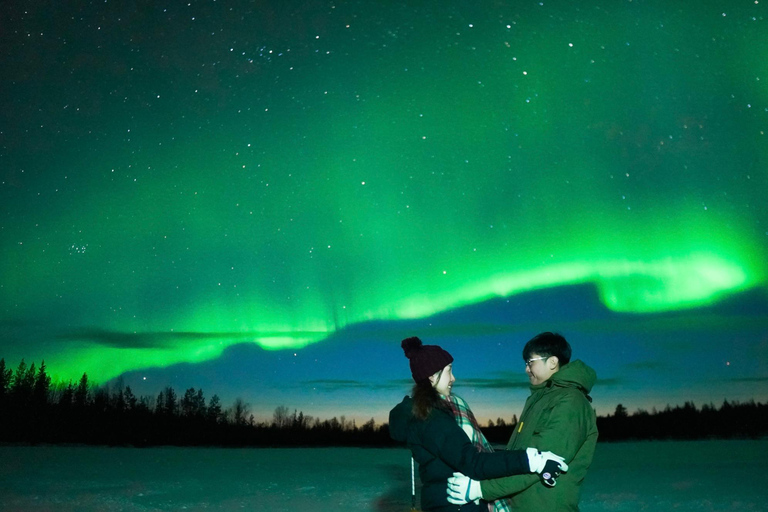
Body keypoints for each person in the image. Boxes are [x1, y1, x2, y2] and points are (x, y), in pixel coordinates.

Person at [389, 336, 568, 512]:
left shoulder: (430, 413)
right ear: (432, 376)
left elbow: (471, 453)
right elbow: (473, 462)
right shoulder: (432, 419)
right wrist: (530, 460)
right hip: (455, 505)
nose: (453, 378)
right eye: (449, 370)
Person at [447, 332, 598, 511]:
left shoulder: (570, 403)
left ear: (552, 362)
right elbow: (521, 456)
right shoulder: (540, 399)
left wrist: (482, 489)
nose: (526, 369)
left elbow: (543, 463)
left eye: (530, 362)